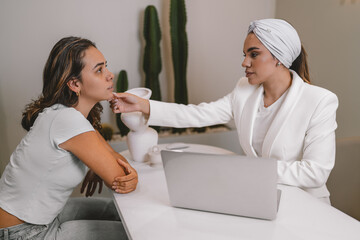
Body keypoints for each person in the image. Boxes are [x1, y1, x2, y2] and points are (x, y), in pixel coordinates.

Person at [110, 19, 338, 204]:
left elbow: (315, 172)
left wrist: (250, 170)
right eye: (244, 55)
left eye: (254, 54)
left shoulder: (320, 101)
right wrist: (143, 105)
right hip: (261, 201)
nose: (244, 63)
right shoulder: (244, 91)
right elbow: (197, 114)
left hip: (306, 207)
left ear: (278, 56)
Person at [0, 37, 137, 240]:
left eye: (106, 67)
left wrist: (102, 163)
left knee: (117, 211)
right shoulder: (66, 119)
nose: (109, 75)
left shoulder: (66, 116)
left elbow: (113, 162)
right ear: (74, 84)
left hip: (40, 219)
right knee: (130, 233)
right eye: (99, 70)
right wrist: (109, 166)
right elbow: (119, 175)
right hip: (24, 233)